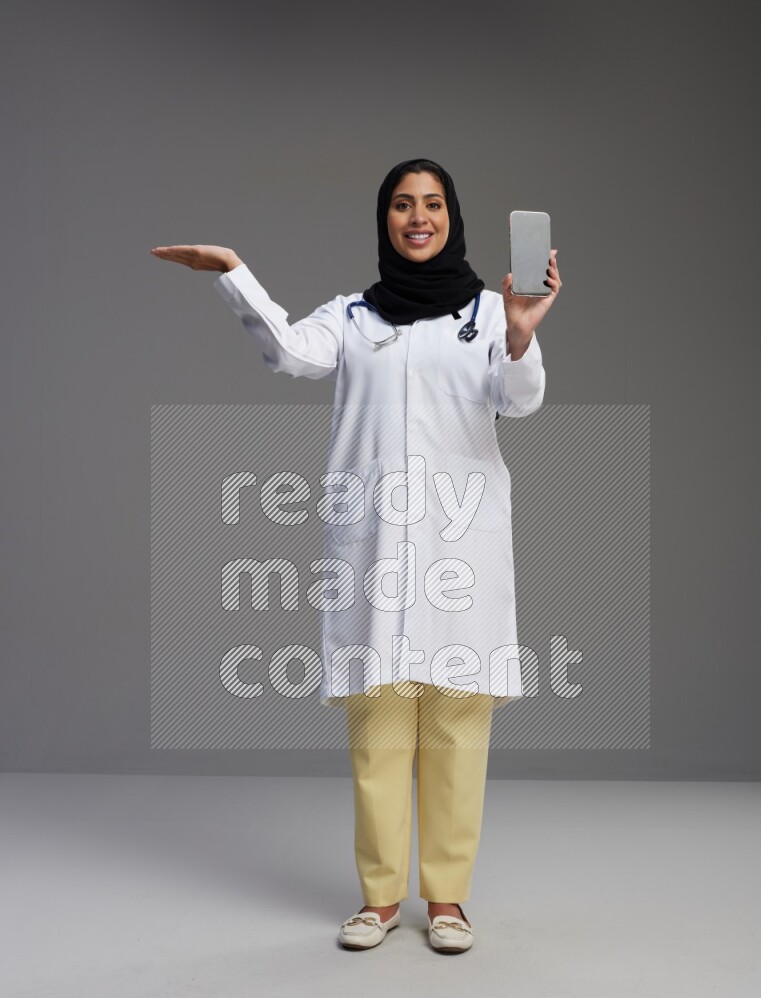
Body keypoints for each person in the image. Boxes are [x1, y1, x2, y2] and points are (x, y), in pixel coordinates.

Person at [151, 157, 562, 953]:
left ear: (452, 217)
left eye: (432, 204)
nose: (418, 217)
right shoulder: (353, 316)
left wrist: (519, 335)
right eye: (403, 205)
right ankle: (378, 899)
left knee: (454, 726)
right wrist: (234, 272)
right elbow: (288, 354)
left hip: (457, 547)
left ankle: (446, 901)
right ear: (385, 219)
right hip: (373, 544)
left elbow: (522, 401)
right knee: (379, 727)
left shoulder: (489, 311)